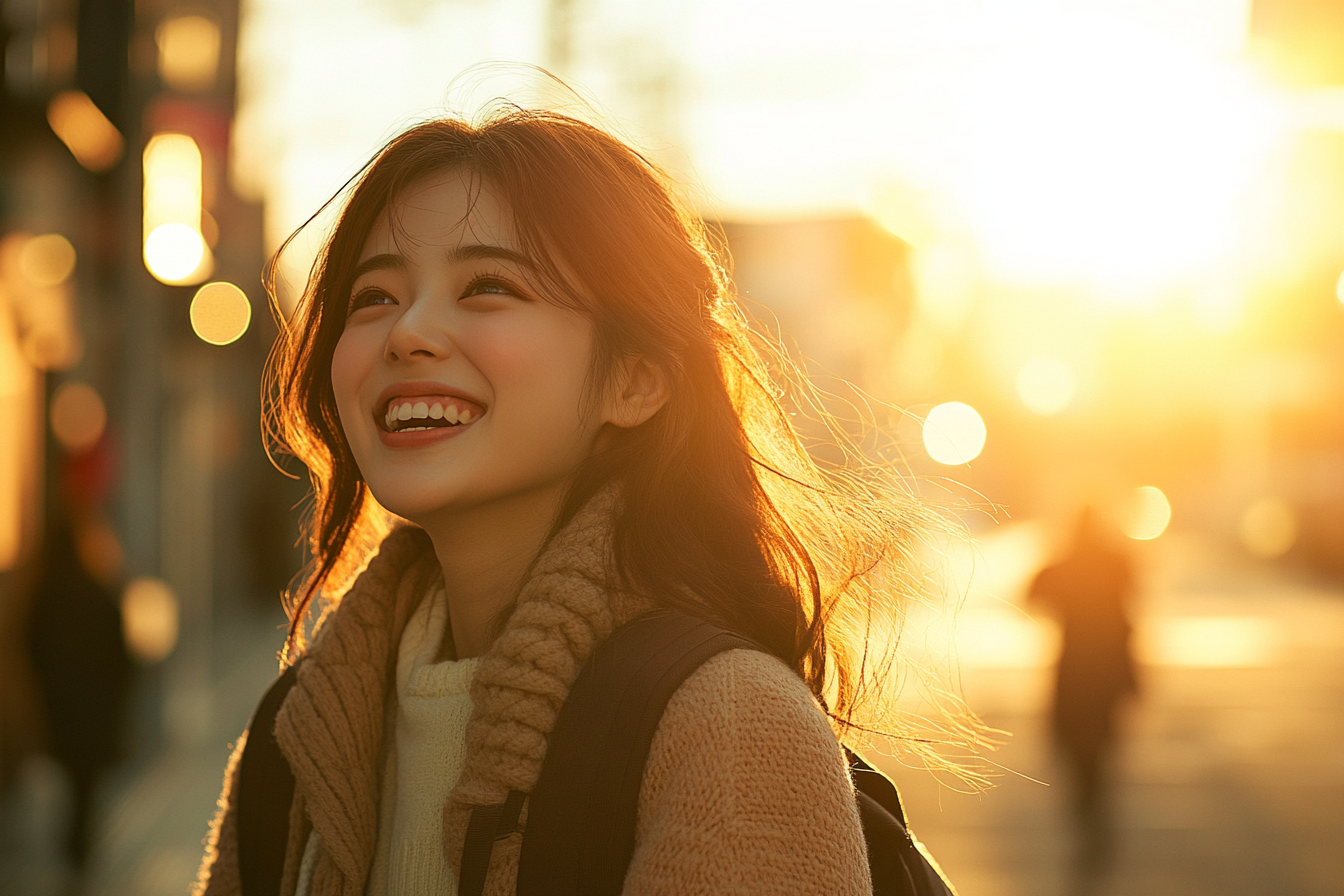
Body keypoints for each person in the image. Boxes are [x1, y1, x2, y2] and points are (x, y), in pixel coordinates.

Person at [194, 106, 956, 896]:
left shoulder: (728, 728)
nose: (408, 331)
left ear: (636, 379)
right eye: (374, 297)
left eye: (488, 286)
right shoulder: (299, 733)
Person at [1029, 506, 1139, 873]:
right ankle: (1095, 823)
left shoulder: (1064, 563)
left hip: (1075, 672)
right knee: (1101, 751)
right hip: (1109, 670)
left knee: (1074, 749)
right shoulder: (1118, 560)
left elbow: (1031, 593)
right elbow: (1133, 605)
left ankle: (1088, 820)